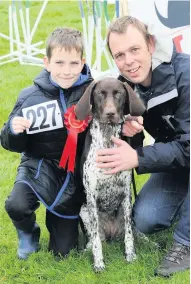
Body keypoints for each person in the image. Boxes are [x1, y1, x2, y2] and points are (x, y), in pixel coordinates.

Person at [96, 16, 190, 277]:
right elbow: (133, 145)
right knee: (147, 219)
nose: (129, 61)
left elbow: (189, 146)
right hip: (177, 159)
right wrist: (131, 134)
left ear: (150, 44)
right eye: (120, 54)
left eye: (134, 49)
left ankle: (186, 243)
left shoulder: (186, 74)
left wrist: (138, 155)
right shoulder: (123, 87)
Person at [1, 27, 93, 260]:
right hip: (38, 166)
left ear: (82, 62)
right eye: (59, 63)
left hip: (73, 175)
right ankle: (28, 233)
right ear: (47, 62)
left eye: (73, 63)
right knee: (16, 204)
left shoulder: (92, 93)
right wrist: (14, 130)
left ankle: (67, 224)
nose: (66, 70)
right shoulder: (29, 96)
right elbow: (10, 143)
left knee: (63, 252)